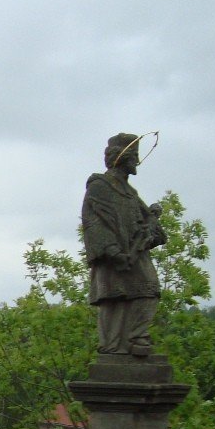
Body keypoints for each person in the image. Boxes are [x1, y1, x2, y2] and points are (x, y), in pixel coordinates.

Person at [81, 133, 167, 355]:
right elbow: (94, 224)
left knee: (149, 291)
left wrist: (151, 228)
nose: (137, 161)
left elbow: (149, 225)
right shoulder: (100, 186)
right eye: (134, 156)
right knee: (116, 300)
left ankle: (136, 337)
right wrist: (113, 252)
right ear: (121, 157)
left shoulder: (130, 193)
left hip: (135, 256)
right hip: (114, 259)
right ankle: (122, 344)